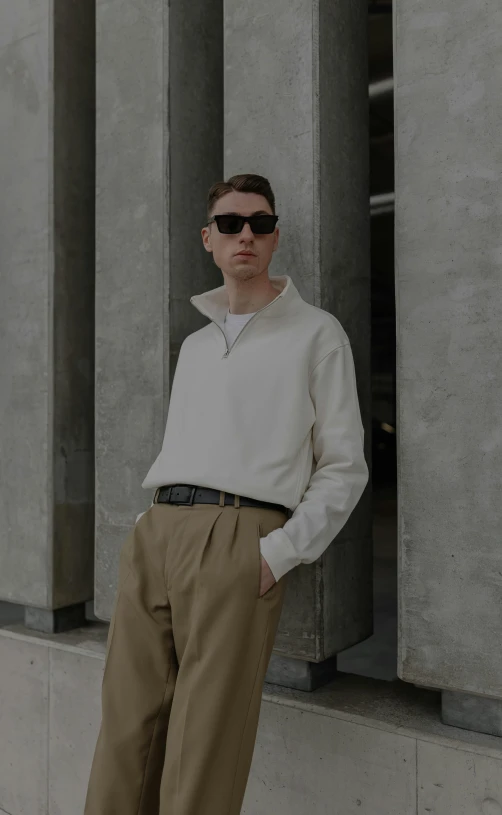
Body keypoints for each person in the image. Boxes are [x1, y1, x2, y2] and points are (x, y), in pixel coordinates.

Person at [84, 173, 369, 815]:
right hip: (158, 533)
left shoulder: (316, 334)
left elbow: (345, 465)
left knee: (203, 745)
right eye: (233, 223)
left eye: (261, 223)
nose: (247, 234)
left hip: (240, 539)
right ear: (208, 239)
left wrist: (279, 552)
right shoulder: (195, 344)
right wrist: (144, 527)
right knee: (124, 731)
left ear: (274, 239)